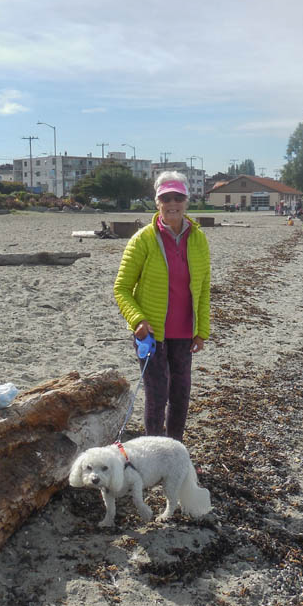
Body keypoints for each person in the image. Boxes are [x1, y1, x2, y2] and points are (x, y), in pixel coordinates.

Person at [114, 171, 211, 442]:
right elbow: (121, 288)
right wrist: (138, 321)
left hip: (184, 334)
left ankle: (174, 452)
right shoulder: (143, 239)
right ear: (157, 202)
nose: (172, 203)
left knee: (180, 396)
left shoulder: (199, 239)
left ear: (186, 201)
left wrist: (201, 330)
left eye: (177, 197)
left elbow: (203, 289)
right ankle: (152, 454)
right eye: (166, 198)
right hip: (151, 334)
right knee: (157, 396)